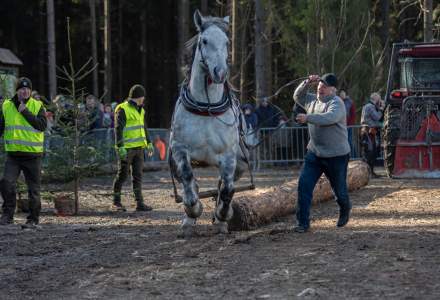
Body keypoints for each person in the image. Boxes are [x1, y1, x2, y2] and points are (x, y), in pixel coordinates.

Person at [292, 73, 351, 233]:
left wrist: (307, 118)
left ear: (333, 90)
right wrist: (307, 82)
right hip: (315, 154)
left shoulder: (337, 103)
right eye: (319, 86)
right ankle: (302, 223)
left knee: (339, 191)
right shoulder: (311, 99)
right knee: (304, 186)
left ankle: (345, 208)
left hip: (336, 156)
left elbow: (328, 118)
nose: (320, 89)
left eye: (324, 87)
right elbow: (297, 96)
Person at [0, 77, 47, 227]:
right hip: (13, 155)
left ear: (31, 91)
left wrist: (25, 111)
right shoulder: (6, 105)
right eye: (22, 88)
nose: (25, 91)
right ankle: (8, 215)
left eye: (28, 89)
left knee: (33, 190)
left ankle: (33, 219)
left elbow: (41, 126)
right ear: (17, 90)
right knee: (6, 183)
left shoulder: (37, 105)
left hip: (33, 156)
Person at [112, 84, 154, 211]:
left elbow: (143, 127)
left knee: (137, 176)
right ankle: (116, 202)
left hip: (139, 148)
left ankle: (139, 203)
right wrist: (120, 147)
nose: (144, 99)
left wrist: (149, 143)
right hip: (126, 149)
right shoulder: (123, 109)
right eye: (143, 97)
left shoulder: (141, 109)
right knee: (122, 175)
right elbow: (118, 129)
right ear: (139, 97)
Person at [360, 92, 384, 177]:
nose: (380, 101)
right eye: (379, 99)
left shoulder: (368, 106)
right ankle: (369, 173)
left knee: (371, 152)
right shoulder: (370, 106)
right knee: (370, 152)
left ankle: (370, 172)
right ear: (376, 99)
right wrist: (381, 109)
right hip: (369, 131)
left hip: (368, 131)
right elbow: (377, 117)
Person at [339, 90, 356, 156]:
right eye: (341, 93)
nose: (342, 95)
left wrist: (350, 124)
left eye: (343, 93)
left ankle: (354, 156)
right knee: (342, 142)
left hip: (349, 126)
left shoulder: (350, 102)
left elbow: (353, 114)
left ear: (345, 94)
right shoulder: (338, 101)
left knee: (350, 141)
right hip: (341, 126)